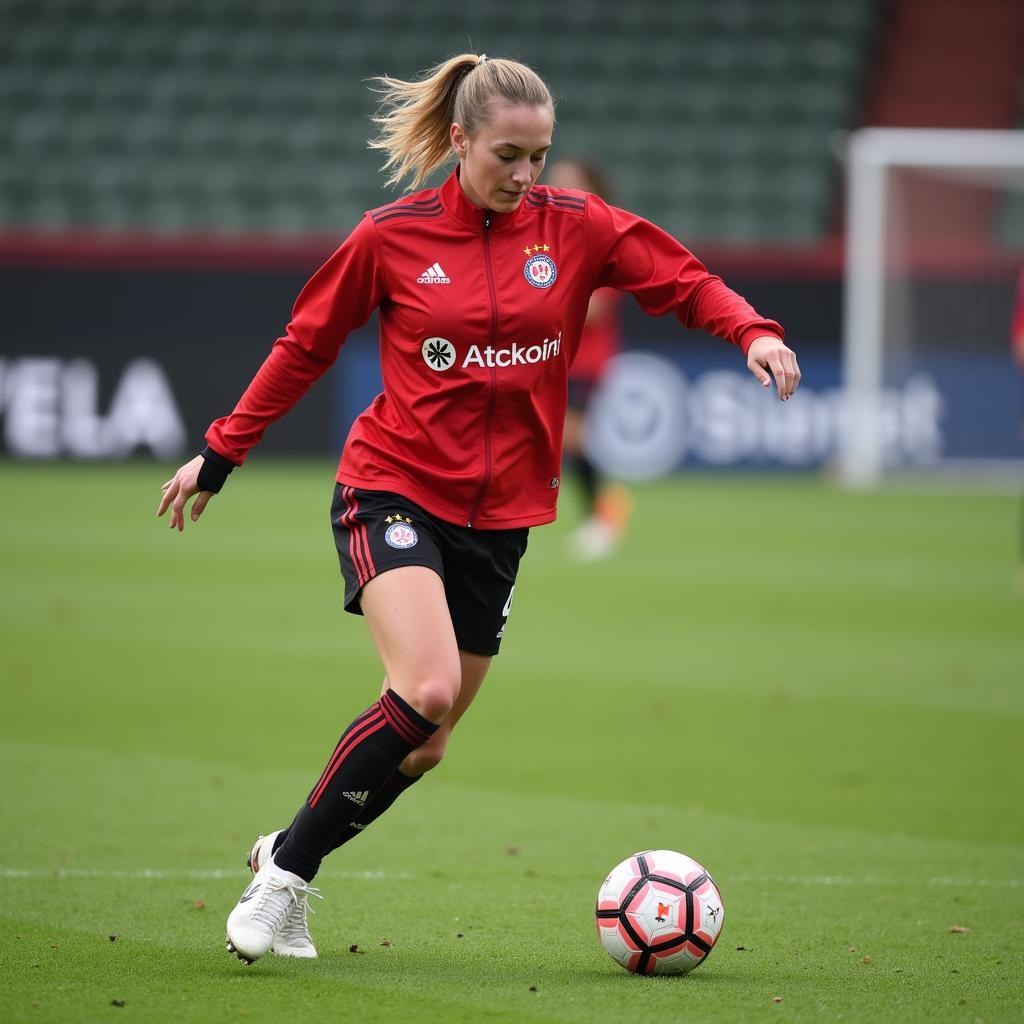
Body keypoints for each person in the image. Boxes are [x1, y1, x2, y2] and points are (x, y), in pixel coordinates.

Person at [157, 52, 801, 966]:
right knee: (423, 691)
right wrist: (222, 451)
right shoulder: (390, 236)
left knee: (424, 745)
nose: (527, 175)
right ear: (459, 141)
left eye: (540, 155)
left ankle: (281, 849)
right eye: (509, 154)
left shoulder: (575, 228)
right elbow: (305, 344)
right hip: (392, 485)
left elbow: (682, 279)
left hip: (501, 519)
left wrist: (754, 329)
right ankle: (285, 883)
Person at [545, 157, 633, 561]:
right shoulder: (550, 236)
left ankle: (606, 514)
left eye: (569, 182)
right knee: (562, 441)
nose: (557, 187)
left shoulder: (601, 236)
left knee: (573, 439)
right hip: (554, 359)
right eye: (556, 180)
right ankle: (603, 513)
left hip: (585, 361)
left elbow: (596, 307)